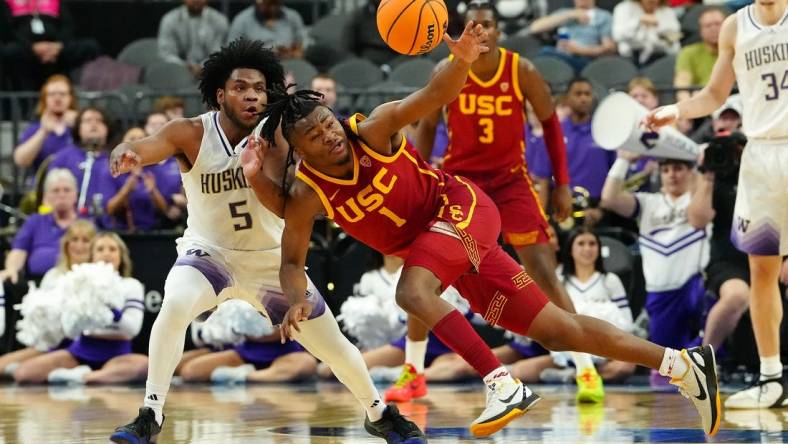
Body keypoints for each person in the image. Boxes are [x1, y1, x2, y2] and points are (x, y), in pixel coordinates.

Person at [252, 21, 720, 437]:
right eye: (314, 136)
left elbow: (434, 96)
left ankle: (501, 385)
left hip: (463, 207)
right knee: (559, 332)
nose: (329, 135)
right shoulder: (307, 194)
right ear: (298, 152)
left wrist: (460, 63)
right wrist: (297, 299)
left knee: (411, 291)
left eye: (328, 123)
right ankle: (683, 364)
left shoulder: (374, 130)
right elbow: (291, 262)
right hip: (446, 249)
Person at [107, 38, 424, 443]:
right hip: (210, 255)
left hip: (272, 262)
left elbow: (301, 189)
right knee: (175, 304)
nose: (252, 95)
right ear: (220, 94)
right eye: (241, 87)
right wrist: (128, 150)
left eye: (259, 88)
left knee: (333, 345)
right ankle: (150, 413)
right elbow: (149, 146)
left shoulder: (279, 137)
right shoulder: (190, 133)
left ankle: (379, 414)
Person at [416, 2, 604, 405]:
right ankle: (413, 371)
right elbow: (427, 126)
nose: (481, 32)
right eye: (474, 26)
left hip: (510, 182)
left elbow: (552, 124)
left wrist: (562, 184)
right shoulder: (446, 71)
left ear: (498, 31)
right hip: (461, 184)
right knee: (424, 272)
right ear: (465, 32)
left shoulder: (520, 70)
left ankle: (586, 370)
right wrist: (418, 179)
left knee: (543, 270)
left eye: (487, 25)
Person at [643, 0, 788, 409]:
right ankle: (772, 378)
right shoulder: (734, 27)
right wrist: (674, 109)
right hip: (760, 155)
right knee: (762, 271)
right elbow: (714, 94)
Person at [13, 232, 148, 384]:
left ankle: (82, 377)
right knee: (23, 374)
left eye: (112, 249)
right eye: (100, 249)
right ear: (92, 256)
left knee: (145, 366)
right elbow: (70, 331)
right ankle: (89, 376)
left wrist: (108, 311)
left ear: (121, 256)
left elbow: (132, 329)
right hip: (81, 350)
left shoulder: (131, 285)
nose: (106, 254)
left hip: (117, 353)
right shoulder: (78, 282)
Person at [0, 219, 96, 378]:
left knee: (23, 373)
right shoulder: (53, 275)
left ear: (93, 245)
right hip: (50, 344)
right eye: (75, 239)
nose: (79, 245)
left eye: (85, 240)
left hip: (83, 345)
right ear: (66, 244)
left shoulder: (98, 276)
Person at [0, 169, 80, 283]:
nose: (62, 195)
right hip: (37, 283)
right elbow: (18, 250)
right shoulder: (35, 221)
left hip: (76, 282)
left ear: (75, 194)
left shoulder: (86, 223)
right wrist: (11, 269)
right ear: (46, 196)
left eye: (67, 190)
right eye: (55, 191)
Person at [0, 0, 100, 90]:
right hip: (25, 50)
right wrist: (32, 47)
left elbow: (68, 26)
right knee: (9, 51)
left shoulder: (56, 1)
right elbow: (9, 31)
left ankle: (83, 97)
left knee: (90, 46)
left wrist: (57, 46)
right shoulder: (7, 2)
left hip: (57, 48)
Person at [48, 106, 118, 223]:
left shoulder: (117, 158)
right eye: (88, 121)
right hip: (70, 224)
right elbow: (48, 192)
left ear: (107, 129)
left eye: (99, 121)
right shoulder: (64, 157)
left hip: (111, 226)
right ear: (78, 129)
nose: (94, 124)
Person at [180, 327, 317, 384]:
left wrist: (245, 330)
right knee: (190, 372)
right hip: (245, 351)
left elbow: (292, 326)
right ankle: (250, 374)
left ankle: (241, 376)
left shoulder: (292, 285)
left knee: (306, 364)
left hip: (284, 352)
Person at [13, 74, 78, 171]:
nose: (57, 98)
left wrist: (79, 123)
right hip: (45, 182)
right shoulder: (35, 128)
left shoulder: (80, 124)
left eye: (62, 94)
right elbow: (20, 160)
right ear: (45, 99)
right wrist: (43, 132)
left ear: (71, 98)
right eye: (52, 94)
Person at [528, 0, 616, 72]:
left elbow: (609, 48)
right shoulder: (565, 12)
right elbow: (535, 28)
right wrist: (571, 14)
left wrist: (581, 50)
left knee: (545, 53)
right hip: (559, 53)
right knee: (543, 54)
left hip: (584, 59)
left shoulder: (603, 16)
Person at [157, 0, 229, 77]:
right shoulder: (169, 20)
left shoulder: (219, 20)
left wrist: (202, 67)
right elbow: (166, 54)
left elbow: (218, 53)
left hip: (211, 74)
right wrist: (185, 68)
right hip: (176, 75)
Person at [674, 7, 728, 101]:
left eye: (718, 24)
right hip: (705, 99)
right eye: (708, 25)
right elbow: (682, 86)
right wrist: (688, 107)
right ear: (700, 31)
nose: (713, 29)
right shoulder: (688, 53)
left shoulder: (739, 48)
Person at [227, 0, 305, 59]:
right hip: (256, 67)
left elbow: (303, 45)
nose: (272, 9)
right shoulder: (242, 20)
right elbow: (232, 51)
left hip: (289, 66)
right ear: (258, 2)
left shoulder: (293, 17)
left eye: (275, 3)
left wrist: (294, 52)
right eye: (268, 4)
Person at [612, 0, 681, 66]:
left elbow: (674, 40)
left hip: (661, 56)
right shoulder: (623, 8)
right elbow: (618, 35)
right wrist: (639, 21)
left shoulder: (668, 11)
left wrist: (658, 26)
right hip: (630, 58)